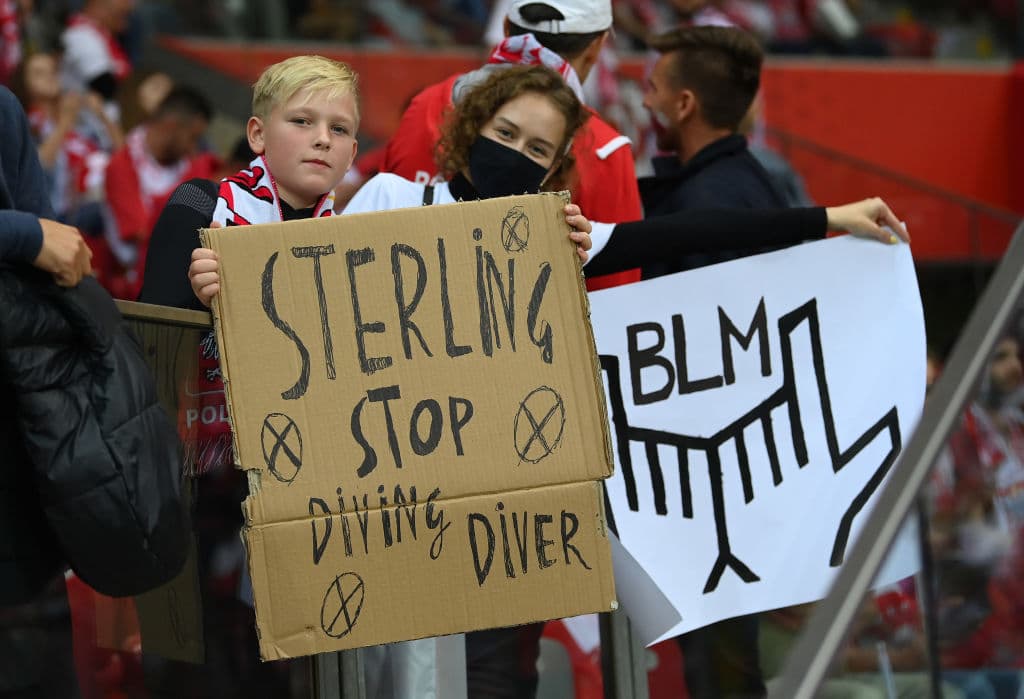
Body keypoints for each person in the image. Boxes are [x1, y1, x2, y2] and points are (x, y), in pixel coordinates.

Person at [378, 0, 643, 291]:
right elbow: (616, 296)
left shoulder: (426, 104)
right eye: (505, 134)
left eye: (538, 149)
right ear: (597, 46)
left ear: (506, 28)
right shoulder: (605, 149)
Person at [103, 84, 217, 298]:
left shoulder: (191, 165)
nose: (193, 148)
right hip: (128, 294)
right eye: (192, 137)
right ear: (171, 126)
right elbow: (142, 233)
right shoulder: (122, 165)